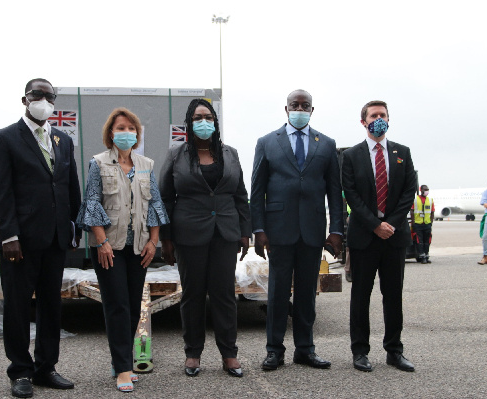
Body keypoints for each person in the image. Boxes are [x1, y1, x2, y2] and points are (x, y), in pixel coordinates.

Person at [0, 78, 81, 398]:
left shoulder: (62, 140)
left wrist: (73, 228)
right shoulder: (5, 139)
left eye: (49, 96)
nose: (44, 100)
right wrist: (9, 234)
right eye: (38, 94)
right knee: (17, 306)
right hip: (20, 241)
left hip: (55, 238)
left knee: (51, 306)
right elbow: (1, 193)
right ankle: (20, 371)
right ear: (24, 99)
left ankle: (45, 368)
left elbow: (70, 189)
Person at [77, 107, 169, 392]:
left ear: (137, 134)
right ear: (110, 133)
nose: (126, 132)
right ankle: (122, 369)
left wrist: (154, 242)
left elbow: (154, 204)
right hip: (109, 247)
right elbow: (92, 202)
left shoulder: (146, 164)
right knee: (116, 306)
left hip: (139, 247)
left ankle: (123, 361)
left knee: (132, 309)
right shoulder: (98, 163)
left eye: (131, 128)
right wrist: (102, 242)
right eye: (121, 127)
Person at [250, 89, 343, 371]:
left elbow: (334, 192)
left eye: (305, 105)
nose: (299, 108)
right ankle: (274, 350)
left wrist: (337, 229)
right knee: (278, 294)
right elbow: (257, 190)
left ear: (312, 110)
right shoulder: (267, 142)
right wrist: (259, 229)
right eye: (295, 105)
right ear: (286, 108)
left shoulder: (326, 144)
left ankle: (305, 349)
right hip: (278, 230)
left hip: (313, 231)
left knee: (306, 294)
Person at [159, 99, 250, 378]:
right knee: (193, 295)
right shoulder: (177, 155)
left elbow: (240, 195)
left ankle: (229, 354)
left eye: (208, 116)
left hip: (224, 233)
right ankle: (193, 354)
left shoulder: (230, 154)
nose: (203, 122)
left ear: (215, 121)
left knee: (224, 296)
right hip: (189, 234)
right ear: (189, 121)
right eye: (198, 117)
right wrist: (167, 239)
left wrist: (245, 232)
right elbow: (165, 198)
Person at [342, 100, 417, 373]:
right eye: (373, 115)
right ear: (364, 121)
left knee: (393, 295)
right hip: (365, 237)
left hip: (394, 237)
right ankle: (360, 351)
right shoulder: (351, 156)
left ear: (389, 119)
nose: (379, 119)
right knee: (360, 296)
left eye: (383, 115)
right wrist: (375, 225)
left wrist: (391, 224)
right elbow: (351, 195)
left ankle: (394, 351)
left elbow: (409, 192)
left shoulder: (402, 153)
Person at [410, 185, 434, 264]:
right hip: (418, 223)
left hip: (427, 224)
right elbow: (412, 211)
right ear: (421, 190)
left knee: (427, 240)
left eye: (427, 189)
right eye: (425, 189)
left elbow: (432, 212)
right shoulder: (415, 199)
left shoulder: (430, 200)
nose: (427, 191)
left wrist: (431, 222)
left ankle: (426, 255)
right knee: (419, 240)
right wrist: (413, 223)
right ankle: (421, 256)